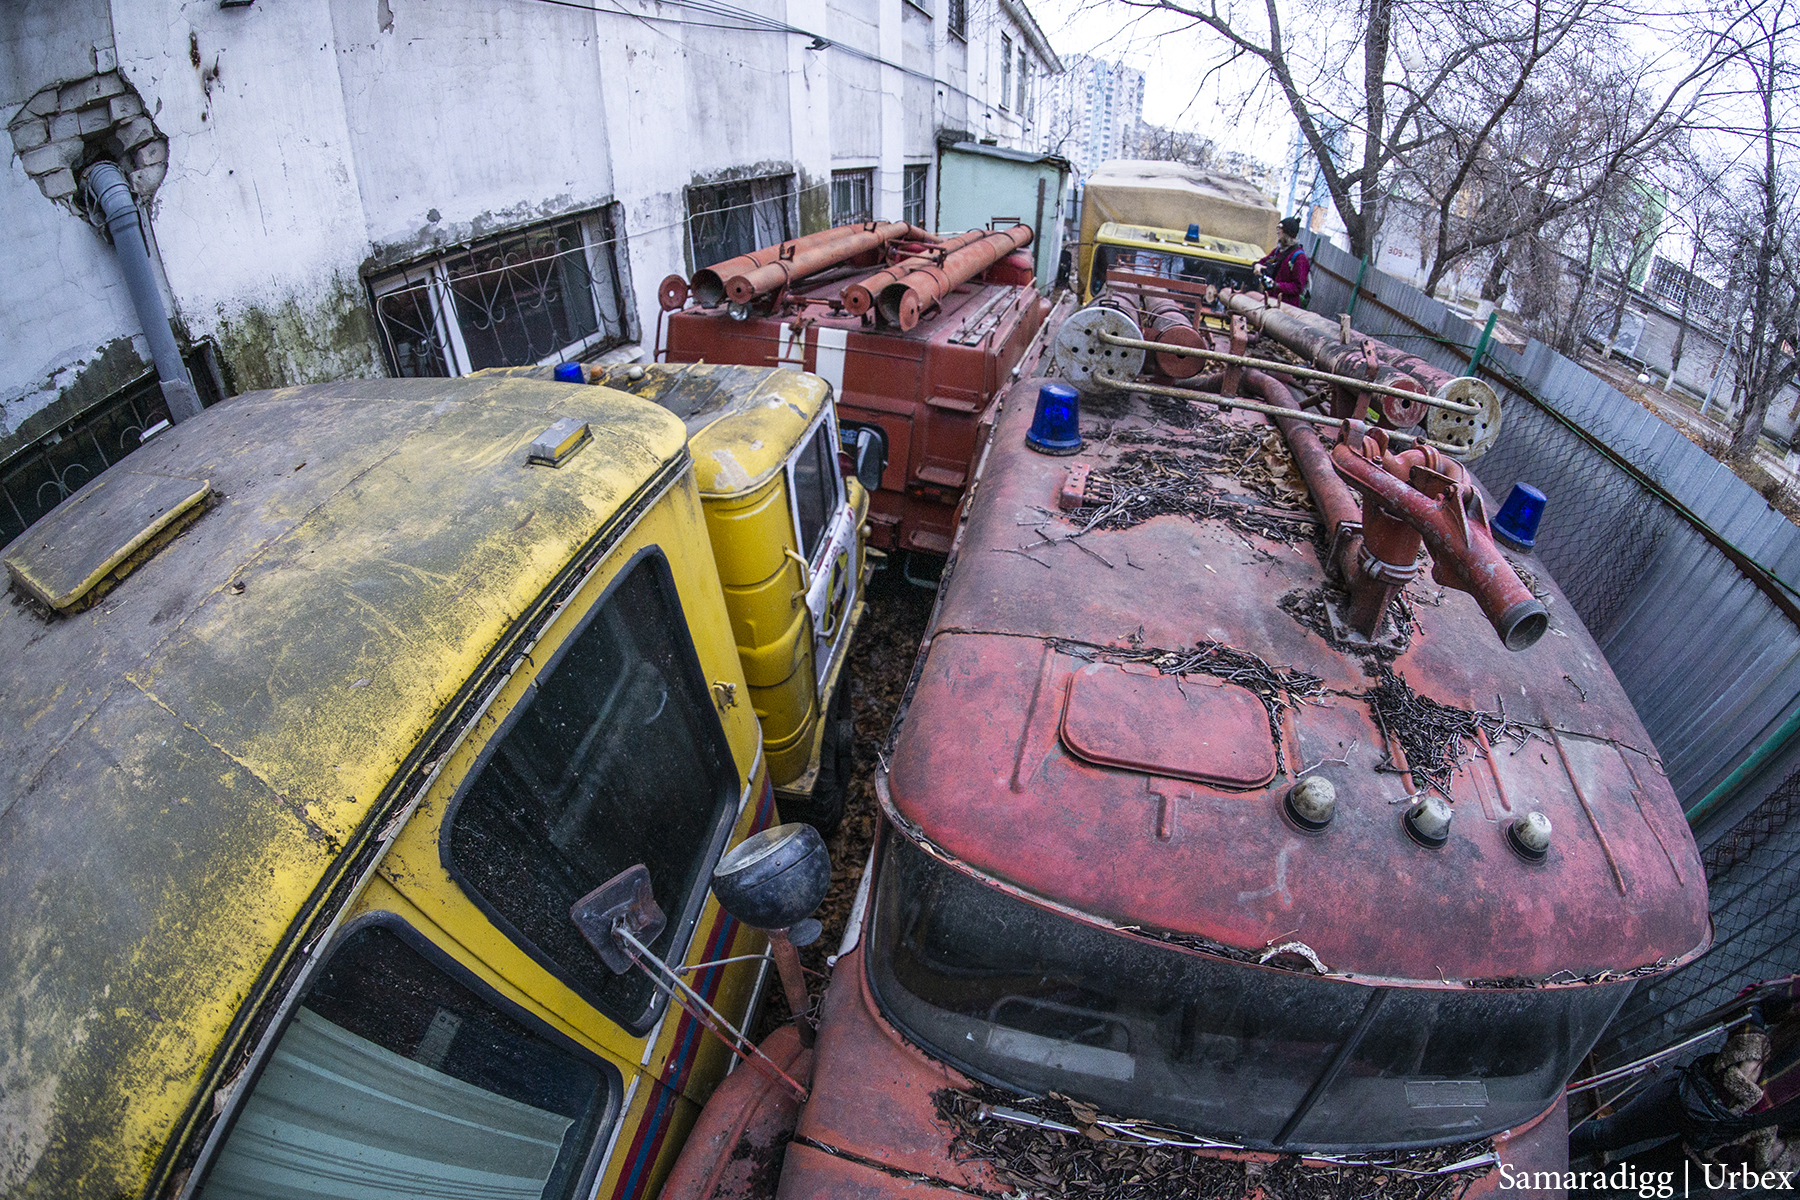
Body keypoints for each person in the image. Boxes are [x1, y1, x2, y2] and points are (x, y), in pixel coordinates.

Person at [1569, 978, 1800, 1173]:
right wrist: (1749, 1051)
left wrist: (1785, 1155)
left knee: (1613, 1185)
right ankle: (1534, 1162)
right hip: (1701, 1096)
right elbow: (1755, 998)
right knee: (1604, 1133)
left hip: (1731, 1154)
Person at [1254, 217, 1311, 306]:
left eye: (1281, 230)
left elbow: (1298, 287)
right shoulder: (1278, 251)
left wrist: (1277, 286)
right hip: (1270, 301)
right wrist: (1257, 265)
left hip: (1286, 307)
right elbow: (1263, 261)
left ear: (1288, 234)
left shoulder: (1300, 258)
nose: (1278, 232)